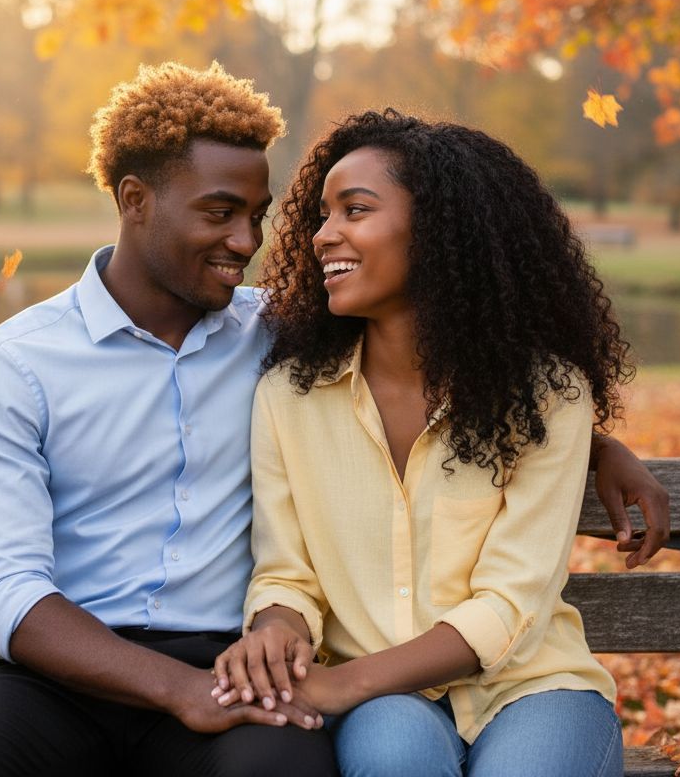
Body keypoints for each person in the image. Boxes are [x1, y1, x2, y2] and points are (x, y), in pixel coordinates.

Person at [0, 68, 667, 776]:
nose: (248, 244)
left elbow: (463, 376)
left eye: (258, 217)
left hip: (233, 668)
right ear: (135, 201)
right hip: (53, 678)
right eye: (220, 213)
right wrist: (178, 689)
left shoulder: (279, 336)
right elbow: (5, 592)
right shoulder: (18, 364)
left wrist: (590, 444)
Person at [213, 109, 639, 777]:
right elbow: (286, 574)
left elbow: (508, 604)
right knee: (392, 760)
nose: (324, 235)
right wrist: (275, 632)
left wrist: (341, 685)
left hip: (531, 688)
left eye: (354, 210)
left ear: (442, 231)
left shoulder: (550, 394)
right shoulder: (289, 396)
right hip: (386, 702)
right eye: (322, 216)